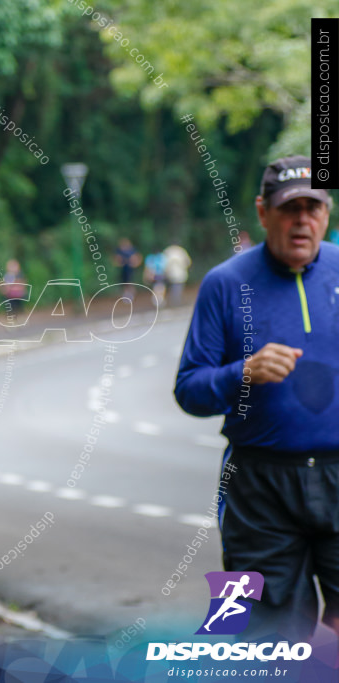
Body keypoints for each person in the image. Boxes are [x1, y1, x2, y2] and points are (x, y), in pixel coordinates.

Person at [175, 155, 338, 641]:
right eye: (290, 209)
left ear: (327, 214)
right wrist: (242, 372)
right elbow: (189, 390)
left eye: (313, 207)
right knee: (258, 638)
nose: (302, 220)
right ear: (263, 212)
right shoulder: (226, 284)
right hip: (257, 485)